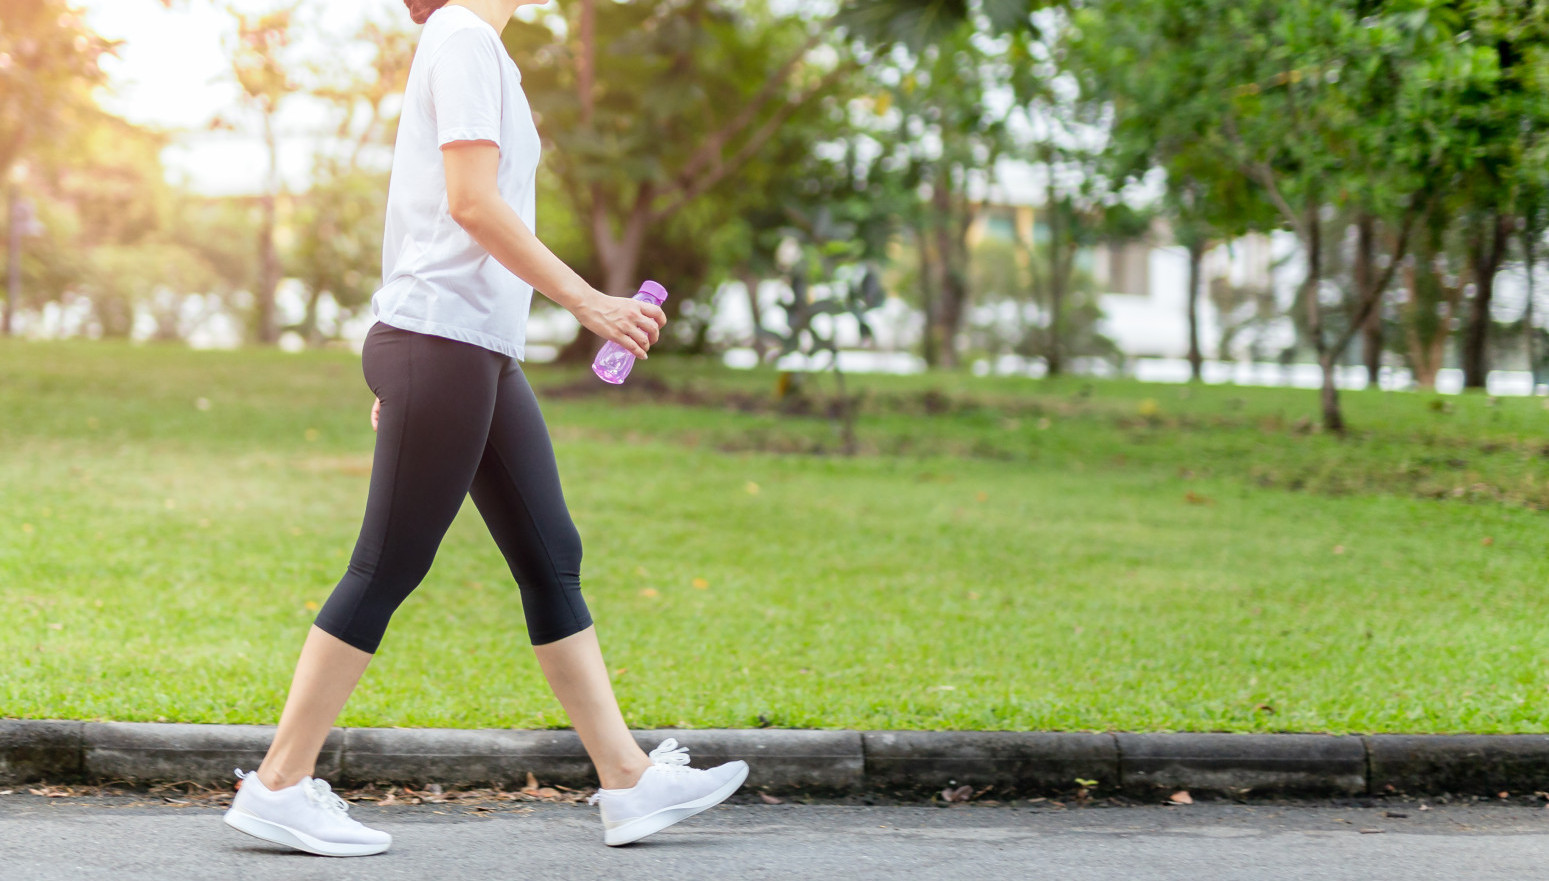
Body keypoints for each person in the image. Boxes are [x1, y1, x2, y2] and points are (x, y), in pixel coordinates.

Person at [221, 0, 748, 856]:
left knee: (551, 554)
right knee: (386, 564)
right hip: (442, 342)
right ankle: (278, 782)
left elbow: (445, 209)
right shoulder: (462, 35)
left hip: (473, 350)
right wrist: (590, 303)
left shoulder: (476, 48)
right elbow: (470, 203)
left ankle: (628, 781)